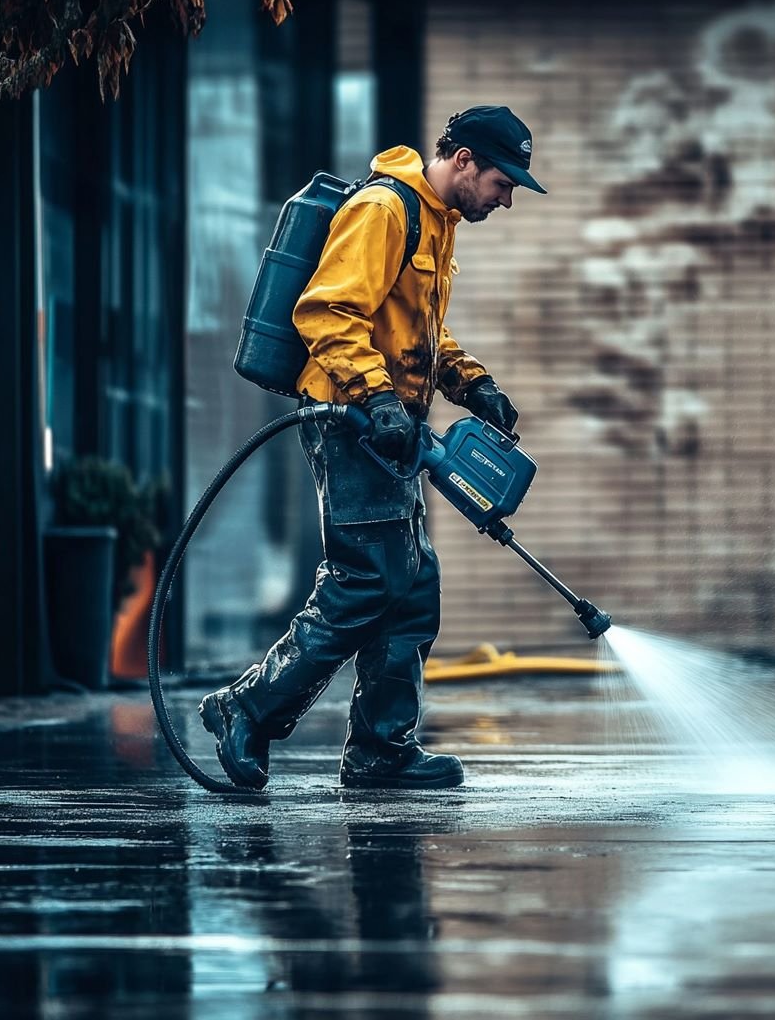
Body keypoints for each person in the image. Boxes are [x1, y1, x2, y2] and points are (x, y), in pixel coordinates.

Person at [199, 105, 546, 791]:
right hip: (351, 419)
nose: (506, 199)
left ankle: (381, 750)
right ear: (466, 161)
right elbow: (328, 311)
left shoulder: (436, 225)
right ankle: (247, 707)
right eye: (503, 182)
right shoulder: (387, 210)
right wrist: (379, 399)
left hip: (386, 429)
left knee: (413, 584)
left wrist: (473, 385)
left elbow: (416, 333)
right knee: (368, 580)